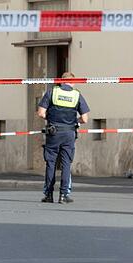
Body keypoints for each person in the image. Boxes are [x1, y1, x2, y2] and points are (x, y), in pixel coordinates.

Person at [37, 72, 90, 204]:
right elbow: (85, 119)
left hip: (53, 132)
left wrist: (52, 118)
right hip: (69, 133)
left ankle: (48, 195)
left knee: (51, 163)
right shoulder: (76, 95)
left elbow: (41, 113)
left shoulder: (52, 92)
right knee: (66, 164)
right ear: (73, 82)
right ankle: (63, 195)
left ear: (61, 81)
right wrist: (74, 121)